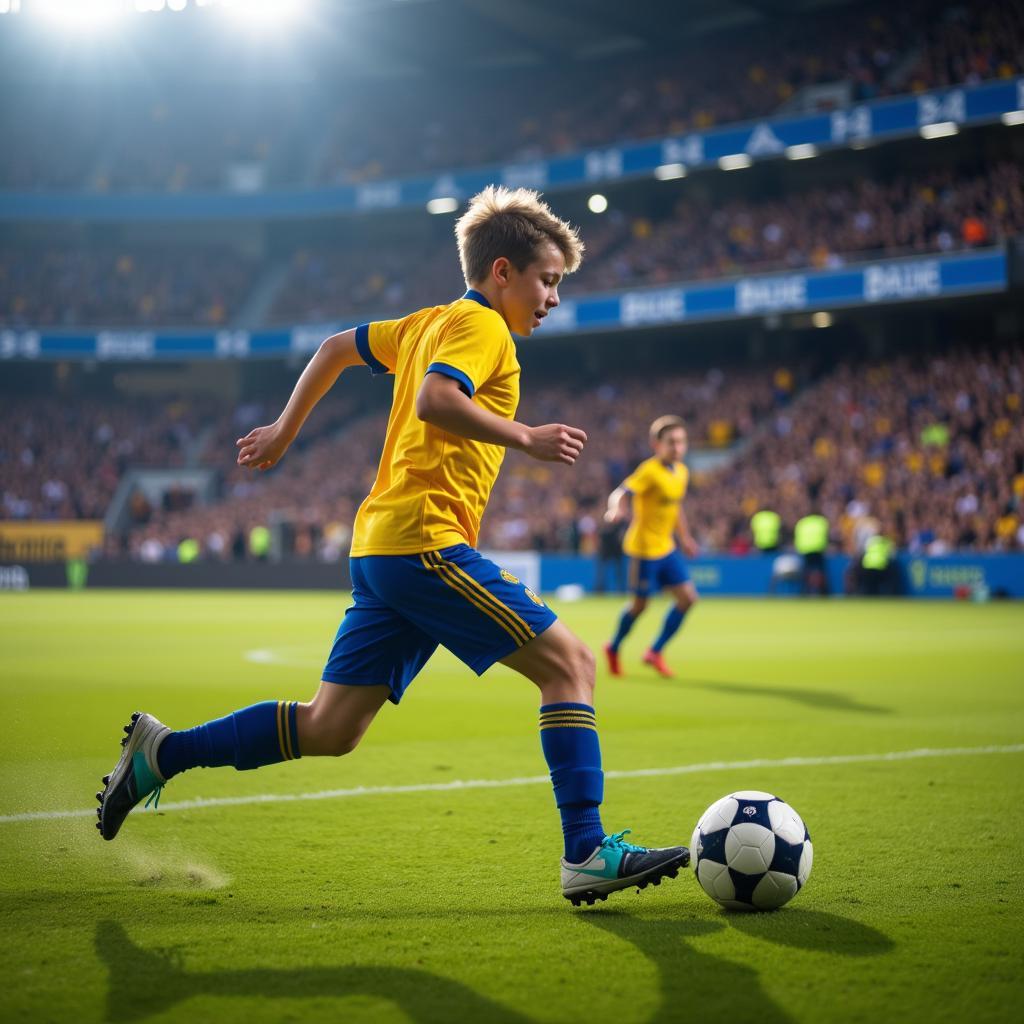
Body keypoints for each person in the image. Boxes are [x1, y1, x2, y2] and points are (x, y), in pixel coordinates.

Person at [96, 186, 689, 907]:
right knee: (570, 664)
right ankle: (588, 850)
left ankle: (163, 753)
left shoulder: (423, 323)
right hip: (423, 545)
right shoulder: (482, 330)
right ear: (501, 272)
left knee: (330, 726)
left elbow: (334, 348)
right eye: (548, 280)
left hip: (381, 549)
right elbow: (436, 399)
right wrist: (526, 437)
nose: (554, 298)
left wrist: (286, 429)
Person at [602, 416, 699, 680]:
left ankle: (654, 651)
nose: (677, 447)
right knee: (639, 606)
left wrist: (686, 538)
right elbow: (621, 492)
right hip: (644, 550)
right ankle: (613, 647)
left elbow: (675, 506)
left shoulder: (681, 471)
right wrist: (616, 509)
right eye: (671, 442)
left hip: (666, 548)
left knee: (688, 598)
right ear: (656, 444)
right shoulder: (649, 470)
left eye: (681, 442)